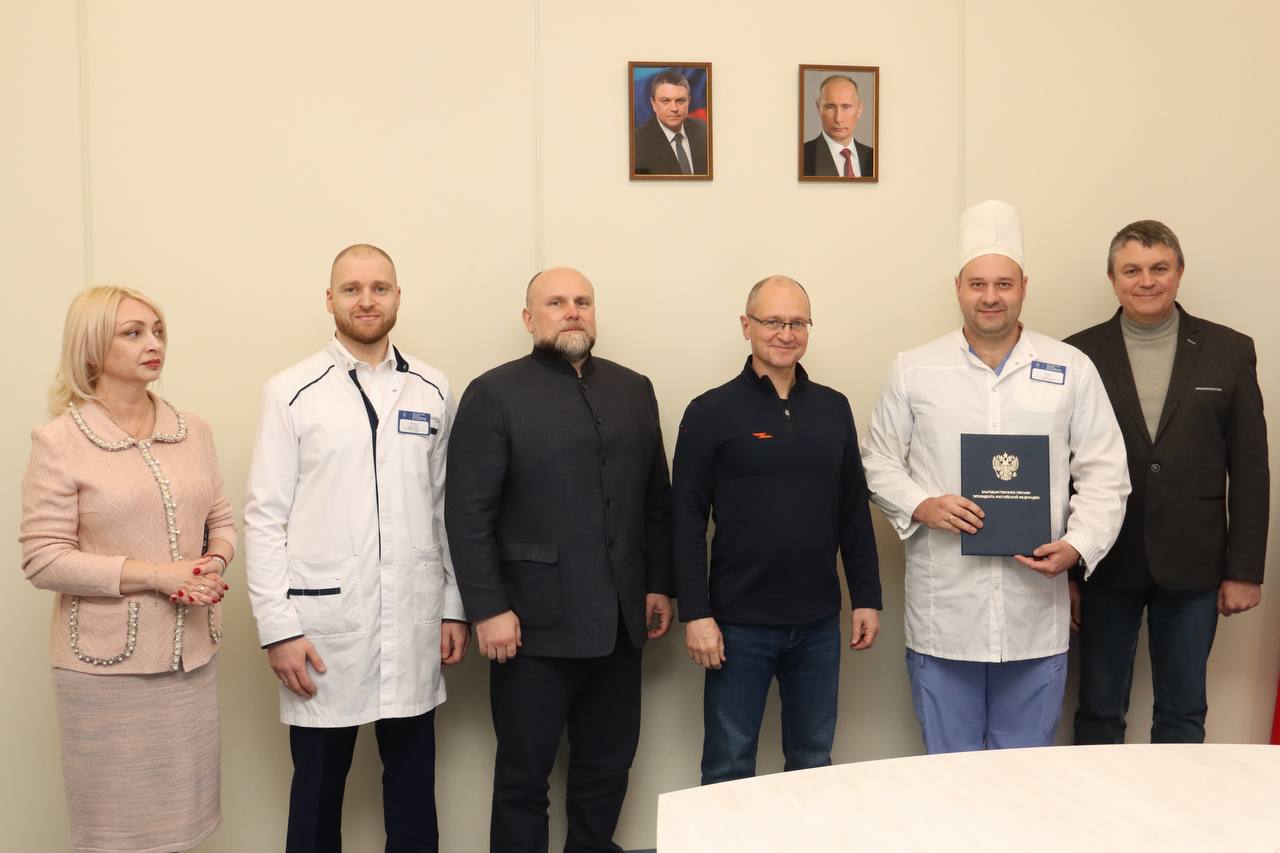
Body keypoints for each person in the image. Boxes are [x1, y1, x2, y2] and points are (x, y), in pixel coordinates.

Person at [860, 200, 1130, 754]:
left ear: (1024, 287)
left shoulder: (1071, 368)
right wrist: (922, 504)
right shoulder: (915, 369)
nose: (990, 296)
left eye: (1003, 283)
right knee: (949, 771)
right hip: (945, 616)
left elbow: (1106, 471)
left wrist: (1078, 545)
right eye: (977, 283)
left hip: (1035, 614)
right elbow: (877, 460)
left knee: (1025, 777)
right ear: (957, 287)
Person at [243, 244, 467, 853]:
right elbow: (264, 516)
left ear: (398, 297)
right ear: (330, 300)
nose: (366, 300)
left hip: (413, 617)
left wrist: (452, 606)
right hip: (321, 628)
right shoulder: (291, 390)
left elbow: (445, 506)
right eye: (351, 289)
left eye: (379, 288)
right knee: (317, 791)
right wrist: (278, 629)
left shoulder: (433, 388)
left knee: (414, 791)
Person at [445, 267, 674, 853]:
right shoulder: (494, 393)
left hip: (620, 625)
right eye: (556, 303)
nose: (572, 311)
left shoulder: (633, 389)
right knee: (524, 779)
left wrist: (658, 584)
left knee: (607, 768)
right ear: (530, 319)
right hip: (530, 627)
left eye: (582, 301)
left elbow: (655, 499)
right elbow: (468, 514)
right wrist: (487, 609)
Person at [20, 285, 234, 853]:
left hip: (192, 663)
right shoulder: (59, 441)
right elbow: (43, 558)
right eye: (133, 333)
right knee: (116, 835)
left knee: (185, 828)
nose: (153, 343)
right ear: (92, 348)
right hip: (105, 673)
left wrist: (212, 563)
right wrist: (159, 575)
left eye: (157, 331)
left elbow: (222, 520)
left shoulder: (194, 430)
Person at [1066, 220, 1269, 744]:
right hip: (1104, 560)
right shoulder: (1076, 355)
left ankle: (1178, 802)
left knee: (1183, 712)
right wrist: (1068, 574)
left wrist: (1245, 570)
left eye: (1159, 268)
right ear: (1112, 279)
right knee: (1098, 710)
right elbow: (1061, 468)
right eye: (1132, 270)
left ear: (1180, 272)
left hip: (1195, 564)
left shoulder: (1228, 350)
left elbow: (1250, 468)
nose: (1146, 281)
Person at [673, 275, 882, 785]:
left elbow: (853, 511)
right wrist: (696, 614)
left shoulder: (833, 407)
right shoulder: (710, 412)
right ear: (746, 326)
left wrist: (866, 597)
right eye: (772, 321)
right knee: (728, 766)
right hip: (737, 624)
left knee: (812, 765)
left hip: (818, 623)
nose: (786, 334)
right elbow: (685, 519)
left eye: (797, 323)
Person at [633, 69, 709, 176]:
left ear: (689, 101)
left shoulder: (704, 130)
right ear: (653, 104)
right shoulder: (637, 144)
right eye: (665, 101)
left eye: (680, 101)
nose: (674, 108)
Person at [802, 74, 874, 178]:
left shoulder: (874, 157)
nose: (838, 119)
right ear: (819, 109)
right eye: (830, 107)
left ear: (859, 109)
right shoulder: (801, 156)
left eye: (846, 107)